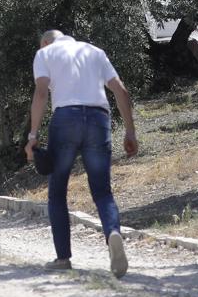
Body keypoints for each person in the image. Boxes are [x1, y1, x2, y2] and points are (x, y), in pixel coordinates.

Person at [25, 30, 139, 277]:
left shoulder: (45, 53)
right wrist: (130, 132)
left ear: (45, 42)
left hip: (66, 118)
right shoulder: (95, 52)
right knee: (102, 191)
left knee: (57, 192)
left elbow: (42, 93)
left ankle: (63, 258)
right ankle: (113, 233)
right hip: (99, 119)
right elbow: (121, 91)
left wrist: (32, 136)